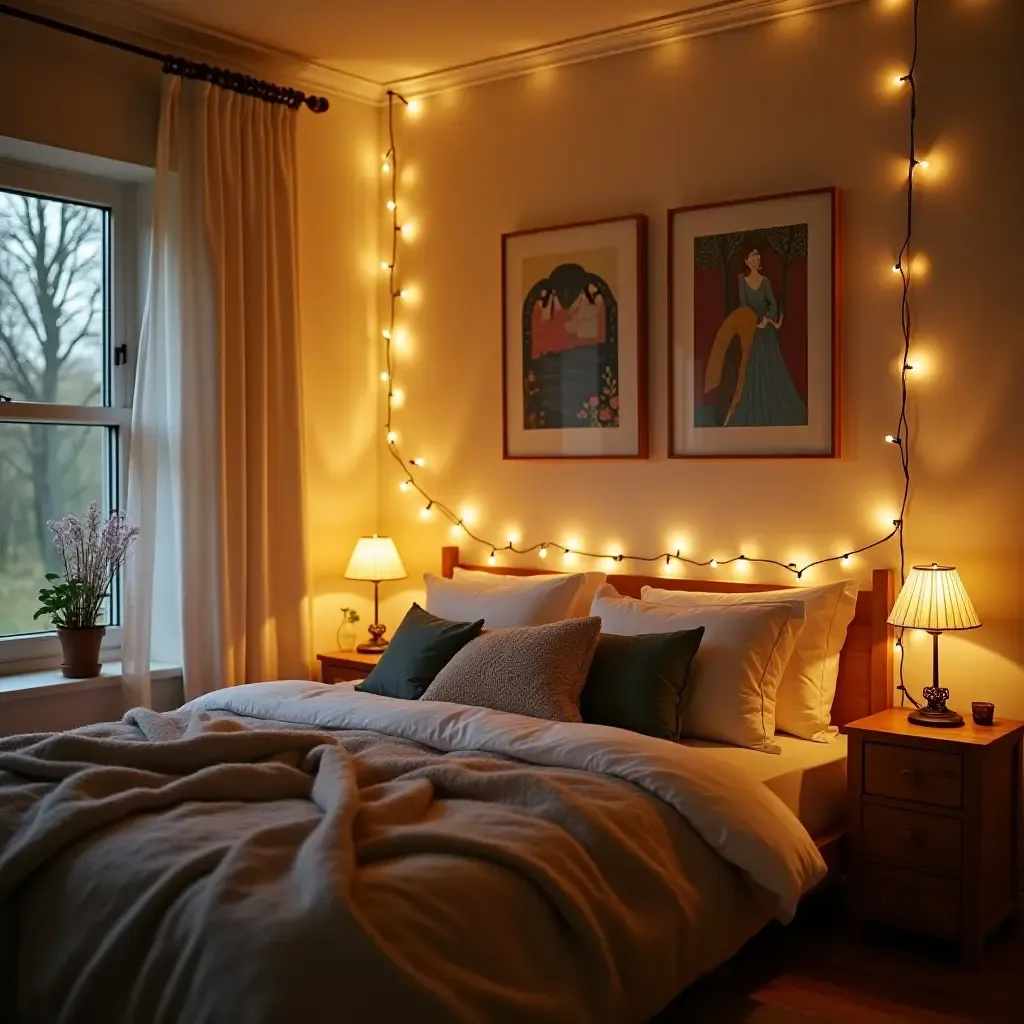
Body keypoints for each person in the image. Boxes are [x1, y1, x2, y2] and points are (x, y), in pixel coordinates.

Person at [725, 245, 807, 427]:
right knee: (751, 367)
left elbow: (772, 304)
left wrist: (766, 319)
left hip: (766, 331)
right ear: (747, 261)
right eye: (752, 259)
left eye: (758, 259)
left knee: (770, 365)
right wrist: (755, 321)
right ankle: (750, 410)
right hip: (751, 328)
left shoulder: (766, 281)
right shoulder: (742, 281)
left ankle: (772, 409)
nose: (755, 261)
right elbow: (743, 305)